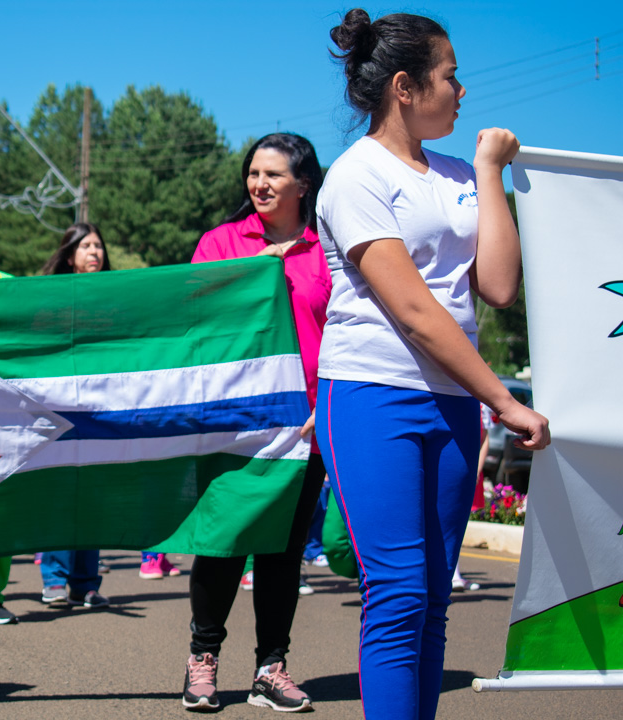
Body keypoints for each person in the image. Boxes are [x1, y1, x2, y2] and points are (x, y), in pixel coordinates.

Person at [316, 10, 550, 719]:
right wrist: (506, 401)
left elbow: (501, 287)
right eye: (451, 76)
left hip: (452, 404)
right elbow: (417, 314)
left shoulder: (455, 174)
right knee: (400, 591)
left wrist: (487, 173)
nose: (462, 90)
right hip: (370, 395)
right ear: (405, 87)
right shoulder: (354, 177)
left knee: (434, 598)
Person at [181, 134, 329, 712]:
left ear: (303, 184)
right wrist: (253, 270)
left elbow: (342, 329)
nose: (259, 184)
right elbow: (194, 311)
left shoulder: (328, 247)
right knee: (222, 543)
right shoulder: (222, 242)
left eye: (273, 175)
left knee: (282, 555)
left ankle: (271, 668)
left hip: (306, 424)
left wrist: (328, 408)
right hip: (234, 423)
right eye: (253, 173)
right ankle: (202, 657)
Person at [38, 222, 112, 610]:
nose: (94, 253)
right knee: (62, 493)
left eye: (98, 246)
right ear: (69, 256)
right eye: (85, 247)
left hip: (101, 408)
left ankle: (85, 583)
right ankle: (54, 577)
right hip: (61, 406)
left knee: (94, 495)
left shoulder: (114, 298)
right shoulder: (52, 298)